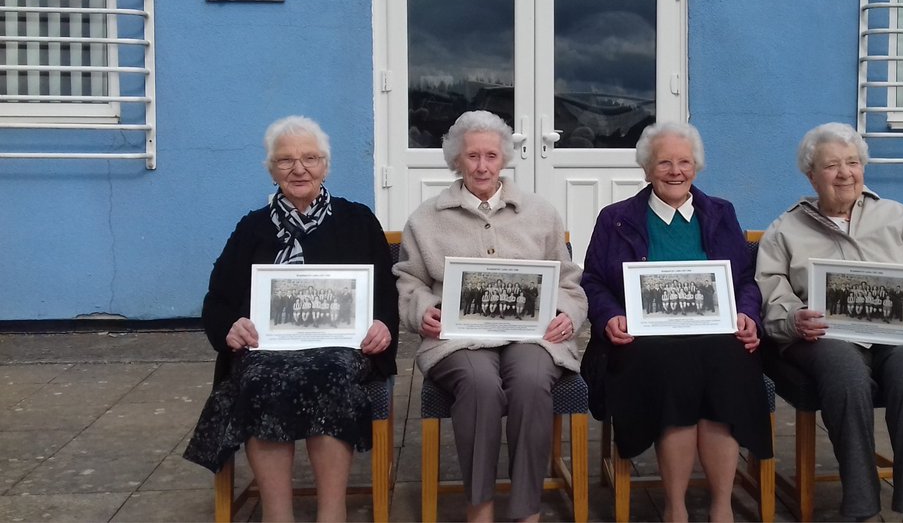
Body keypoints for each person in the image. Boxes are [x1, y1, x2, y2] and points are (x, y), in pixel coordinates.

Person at [183, 115, 399, 522]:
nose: (299, 169)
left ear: (325, 166)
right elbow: (218, 299)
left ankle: (331, 514)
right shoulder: (252, 227)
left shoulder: (357, 220)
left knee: (331, 375)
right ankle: (277, 514)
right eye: (286, 160)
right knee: (261, 379)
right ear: (272, 170)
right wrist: (231, 327)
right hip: (267, 349)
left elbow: (387, 293)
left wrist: (382, 325)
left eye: (310, 158)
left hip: (341, 348)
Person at [755, 122, 903, 523]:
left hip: (901, 336)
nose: (844, 173)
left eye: (852, 162)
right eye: (831, 165)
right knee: (845, 373)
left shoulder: (898, 217)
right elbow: (770, 293)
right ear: (811, 175)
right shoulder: (786, 229)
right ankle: (862, 506)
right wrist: (794, 319)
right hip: (824, 338)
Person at [395, 110, 587, 523]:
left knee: (532, 381)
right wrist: (423, 311)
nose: (482, 166)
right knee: (480, 385)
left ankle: (526, 510)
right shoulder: (426, 219)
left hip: (532, 336)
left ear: (504, 159)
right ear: (456, 160)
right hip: (459, 338)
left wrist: (567, 315)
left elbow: (569, 282)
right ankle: (479, 506)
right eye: (472, 156)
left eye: (491, 156)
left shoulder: (541, 212)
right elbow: (409, 282)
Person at [581, 121, 772, 523]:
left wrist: (747, 314)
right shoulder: (615, 218)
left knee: (727, 365)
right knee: (674, 370)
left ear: (696, 167)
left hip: (715, 334)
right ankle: (676, 507)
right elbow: (593, 281)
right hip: (643, 340)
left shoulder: (720, 212)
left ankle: (721, 506)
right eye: (664, 162)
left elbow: (744, 280)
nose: (675, 171)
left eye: (684, 162)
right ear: (647, 169)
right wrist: (610, 316)